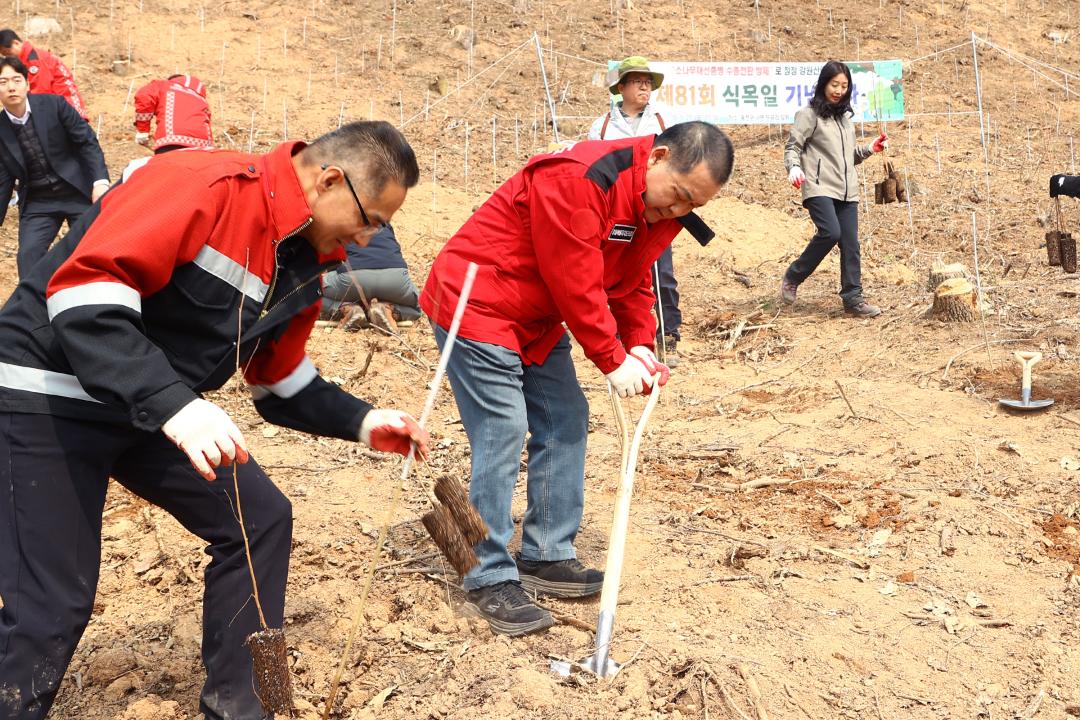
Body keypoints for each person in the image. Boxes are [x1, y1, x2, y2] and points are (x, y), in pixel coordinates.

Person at [0, 120, 429, 720]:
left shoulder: (304, 260)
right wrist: (176, 406)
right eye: (372, 219)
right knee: (52, 604)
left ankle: (237, 708)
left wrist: (363, 421)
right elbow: (86, 292)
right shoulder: (204, 185)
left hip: (146, 405)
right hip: (45, 388)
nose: (366, 239)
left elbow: (279, 382)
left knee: (259, 520)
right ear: (330, 180)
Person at [421, 122, 734, 636]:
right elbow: (576, 279)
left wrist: (638, 342)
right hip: (476, 301)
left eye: (691, 206)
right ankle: (487, 574)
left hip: (536, 317)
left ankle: (546, 552)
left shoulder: (658, 210)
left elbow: (630, 283)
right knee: (503, 426)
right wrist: (611, 358)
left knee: (566, 416)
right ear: (657, 157)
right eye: (677, 196)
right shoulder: (581, 178)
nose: (678, 212)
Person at [589, 55, 684, 365]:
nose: (645, 87)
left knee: (662, 272)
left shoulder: (661, 122)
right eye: (638, 82)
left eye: (648, 83)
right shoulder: (602, 126)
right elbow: (591, 167)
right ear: (621, 87)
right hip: (614, 211)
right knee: (613, 273)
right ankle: (617, 339)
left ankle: (668, 333)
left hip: (653, 208)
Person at [781, 59, 888, 317]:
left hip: (847, 189)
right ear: (823, 84)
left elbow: (847, 156)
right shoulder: (809, 115)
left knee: (850, 243)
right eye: (834, 84)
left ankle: (853, 299)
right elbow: (792, 147)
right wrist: (793, 168)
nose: (839, 90)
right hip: (818, 186)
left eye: (844, 85)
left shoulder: (845, 120)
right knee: (830, 232)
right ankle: (793, 276)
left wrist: (869, 149)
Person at [0, 56, 108, 278]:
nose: (11, 87)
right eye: (2, 82)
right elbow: (3, 179)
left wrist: (99, 182)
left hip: (78, 191)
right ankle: (34, 310)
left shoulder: (55, 105)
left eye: (16, 80)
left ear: (27, 84)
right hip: (38, 202)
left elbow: (86, 142)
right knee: (28, 255)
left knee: (90, 248)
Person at [320, 222, 422, 330]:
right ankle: (390, 309)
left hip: (353, 279)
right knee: (420, 305)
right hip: (395, 279)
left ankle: (346, 309)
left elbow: (331, 260)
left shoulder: (341, 221)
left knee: (309, 292)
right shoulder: (384, 222)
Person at [0, 29, 87, 118]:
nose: (7, 57)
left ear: (16, 43)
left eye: (7, 53)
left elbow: (41, 90)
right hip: (58, 105)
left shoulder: (34, 61)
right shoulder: (29, 58)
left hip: (66, 106)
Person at [133, 73, 214, 153]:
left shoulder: (164, 85)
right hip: (203, 146)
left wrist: (142, 131)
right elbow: (207, 124)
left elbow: (144, 97)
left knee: (168, 165)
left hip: (172, 139)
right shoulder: (201, 99)